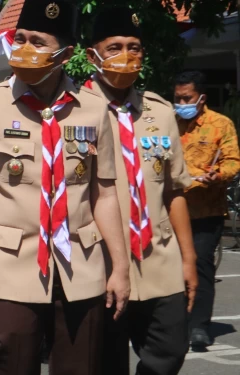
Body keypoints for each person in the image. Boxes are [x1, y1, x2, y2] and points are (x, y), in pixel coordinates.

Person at [0, 1, 130, 374]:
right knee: (12, 364)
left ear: (65, 53)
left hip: (81, 266)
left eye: (37, 41)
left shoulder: (93, 109)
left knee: (81, 367)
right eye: (20, 39)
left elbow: (106, 194)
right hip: (12, 266)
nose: (24, 49)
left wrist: (120, 268)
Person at [85, 8, 197, 374]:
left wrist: (189, 258)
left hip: (159, 259)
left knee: (170, 352)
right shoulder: (73, 114)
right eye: (114, 46)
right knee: (105, 363)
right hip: (98, 264)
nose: (126, 56)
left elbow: (173, 190)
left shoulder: (160, 112)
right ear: (92, 55)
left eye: (134, 47)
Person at [174, 70, 240, 348]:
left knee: (201, 264)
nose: (181, 104)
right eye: (176, 98)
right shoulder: (167, 122)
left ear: (201, 98)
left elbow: (233, 160)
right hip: (171, 209)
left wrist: (219, 175)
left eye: (186, 98)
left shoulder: (220, 124)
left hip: (206, 210)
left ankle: (199, 325)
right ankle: (174, 322)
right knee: (171, 268)